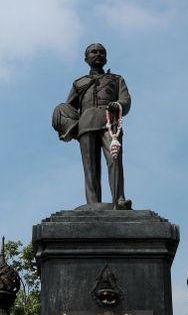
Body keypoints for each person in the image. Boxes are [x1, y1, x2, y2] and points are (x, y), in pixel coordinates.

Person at [52, 43, 132, 209]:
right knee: (90, 167)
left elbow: (126, 101)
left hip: (110, 122)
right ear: (86, 58)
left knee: (114, 159)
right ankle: (93, 203)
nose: (98, 54)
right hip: (86, 123)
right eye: (93, 52)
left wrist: (118, 105)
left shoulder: (116, 79)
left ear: (106, 58)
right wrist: (66, 122)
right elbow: (69, 107)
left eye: (102, 52)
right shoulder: (79, 83)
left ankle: (119, 199)